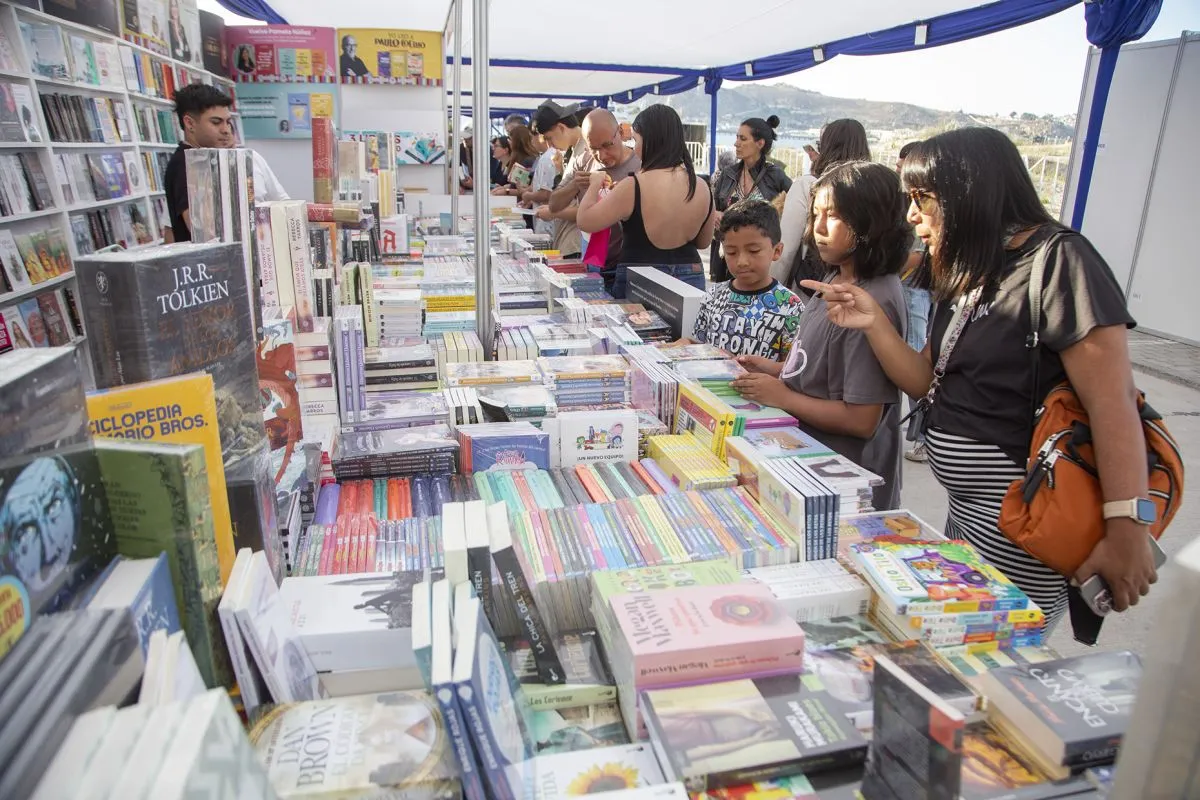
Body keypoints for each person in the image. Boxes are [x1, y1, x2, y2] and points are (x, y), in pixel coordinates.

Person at [804, 127, 1155, 631]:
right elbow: (926, 381)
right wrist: (874, 323)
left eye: (922, 199)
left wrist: (1127, 527)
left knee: (996, 650)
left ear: (970, 192)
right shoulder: (967, 267)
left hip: (1027, 522)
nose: (911, 215)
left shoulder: (1059, 262)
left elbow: (1113, 403)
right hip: (967, 519)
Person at [732, 161, 910, 511]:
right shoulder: (835, 278)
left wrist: (782, 395)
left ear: (871, 220)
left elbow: (861, 419)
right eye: (815, 215)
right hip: (811, 465)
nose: (818, 228)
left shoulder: (873, 299)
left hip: (846, 485)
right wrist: (776, 368)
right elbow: (824, 364)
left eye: (835, 215)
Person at [575, 104, 704, 298]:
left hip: (642, 278)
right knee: (686, 329)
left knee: (638, 328)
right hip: (691, 275)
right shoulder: (700, 185)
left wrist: (594, 184)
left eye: (636, 141)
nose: (634, 149)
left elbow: (586, 221)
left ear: (649, 141)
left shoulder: (634, 185)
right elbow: (702, 242)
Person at [164, 84, 287, 243]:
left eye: (228, 122)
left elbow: (283, 203)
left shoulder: (223, 158)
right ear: (190, 123)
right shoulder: (186, 165)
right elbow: (206, 234)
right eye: (216, 122)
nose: (226, 130)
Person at [685, 199, 803, 361]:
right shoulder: (713, 296)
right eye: (731, 252)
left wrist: (764, 368)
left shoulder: (790, 306)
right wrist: (685, 345)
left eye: (753, 251)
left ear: (777, 251)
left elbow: (792, 368)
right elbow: (699, 344)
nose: (742, 262)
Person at [776, 118, 871, 294]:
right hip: (857, 293)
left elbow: (785, 250)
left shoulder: (809, 186)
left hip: (810, 293)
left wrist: (771, 295)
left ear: (827, 148)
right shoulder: (872, 190)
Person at [548, 107, 640, 286]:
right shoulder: (583, 161)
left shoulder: (640, 164)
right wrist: (574, 185)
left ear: (620, 132)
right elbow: (554, 205)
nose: (602, 156)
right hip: (593, 262)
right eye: (594, 149)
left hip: (628, 264)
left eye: (607, 145)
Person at [711, 116, 791, 282]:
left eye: (743, 138)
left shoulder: (775, 176)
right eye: (736, 137)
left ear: (760, 143)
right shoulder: (728, 174)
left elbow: (793, 207)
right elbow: (713, 207)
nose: (736, 143)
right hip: (727, 257)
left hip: (759, 261)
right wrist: (715, 214)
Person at [895, 140, 933, 463]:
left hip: (915, 293)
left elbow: (916, 258)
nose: (912, 214)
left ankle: (922, 435)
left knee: (913, 355)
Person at [532, 100, 587, 257]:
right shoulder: (572, 151)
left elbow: (588, 209)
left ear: (562, 128)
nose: (550, 145)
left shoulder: (587, 152)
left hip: (577, 242)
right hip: (569, 240)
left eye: (550, 138)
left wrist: (553, 213)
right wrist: (560, 170)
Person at [491, 125, 539, 197]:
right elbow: (517, 186)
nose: (509, 142)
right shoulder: (522, 159)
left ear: (517, 141)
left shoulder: (527, 161)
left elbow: (524, 189)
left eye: (510, 139)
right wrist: (505, 187)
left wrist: (506, 191)